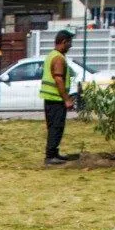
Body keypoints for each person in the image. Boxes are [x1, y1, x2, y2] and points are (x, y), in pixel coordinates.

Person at [41, 29, 75, 166]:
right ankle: (50, 157)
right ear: (63, 42)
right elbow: (59, 80)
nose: (71, 46)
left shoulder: (51, 55)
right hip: (56, 99)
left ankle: (54, 153)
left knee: (53, 127)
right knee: (56, 127)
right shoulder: (58, 59)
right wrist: (67, 99)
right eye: (69, 43)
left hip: (50, 98)